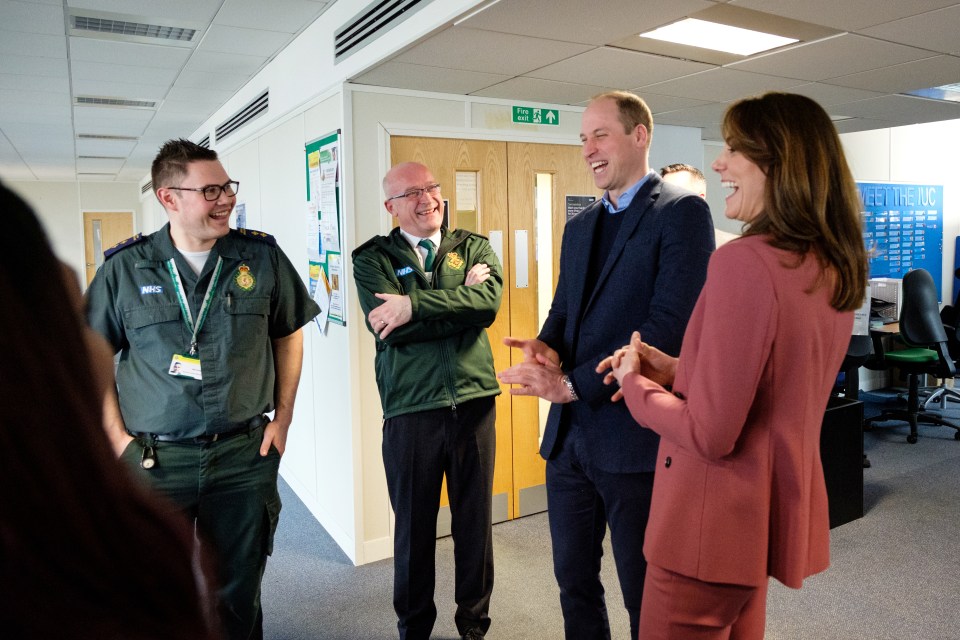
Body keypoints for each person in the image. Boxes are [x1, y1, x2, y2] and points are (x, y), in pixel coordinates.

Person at [598, 92, 869, 639]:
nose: (718, 163)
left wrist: (635, 386)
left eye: (733, 150)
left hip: (705, 528)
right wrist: (674, 370)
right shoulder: (831, 264)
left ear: (778, 162)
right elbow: (772, 381)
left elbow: (710, 432)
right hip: (756, 523)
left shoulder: (743, 263)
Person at [497, 91, 714, 639]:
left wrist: (571, 383)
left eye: (600, 136)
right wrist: (546, 346)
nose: (588, 150)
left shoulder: (682, 213)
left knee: (645, 593)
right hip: (570, 444)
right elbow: (564, 310)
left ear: (640, 135)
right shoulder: (582, 224)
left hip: (633, 439)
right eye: (583, 139)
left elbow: (667, 327)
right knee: (573, 582)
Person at [86, 139, 320, 640]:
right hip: (154, 461)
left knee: (237, 594)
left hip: (242, 456)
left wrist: (284, 417)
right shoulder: (124, 269)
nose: (226, 199)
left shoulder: (260, 257)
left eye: (227, 186)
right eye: (210, 190)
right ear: (169, 198)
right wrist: (113, 436)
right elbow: (93, 352)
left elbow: (289, 334)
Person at [0, 181, 220, 639]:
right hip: (155, 453)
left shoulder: (88, 516)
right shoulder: (94, 557)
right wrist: (118, 435)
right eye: (70, 314)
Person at [352, 162, 502, 640]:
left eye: (432, 187)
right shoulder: (371, 257)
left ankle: (473, 625)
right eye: (412, 193)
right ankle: (414, 628)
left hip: (475, 403)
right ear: (391, 207)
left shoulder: (473, 245)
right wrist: (462, 299)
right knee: (414, 530)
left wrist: (413, 304)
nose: (428, 199)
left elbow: (489, 306)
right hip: (411, 409)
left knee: (475, 525)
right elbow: (389, 329)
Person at [660, 162, 739, 246]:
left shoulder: (731, 245)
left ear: (699, 199)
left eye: (677, 193)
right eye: (663, 193)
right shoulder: (649, 244)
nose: (667, 200)